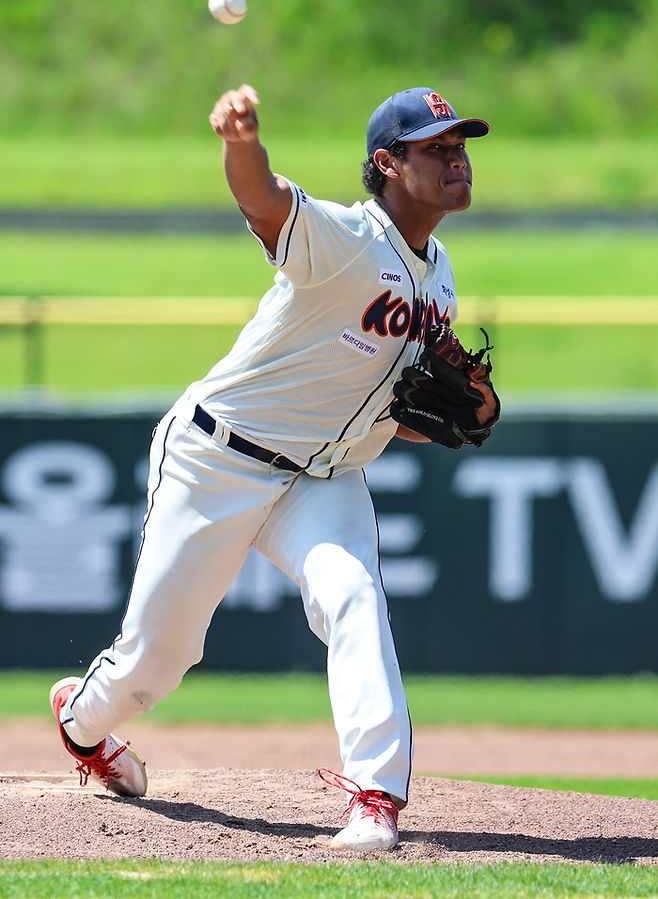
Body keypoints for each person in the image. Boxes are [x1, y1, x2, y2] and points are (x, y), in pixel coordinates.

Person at [50, 84, 493, 852]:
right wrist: (240, 141)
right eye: (436, 149)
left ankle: (375, 800)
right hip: (218, 457)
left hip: (321, 479)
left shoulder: (440, 273)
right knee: (158, 660)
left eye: (460, 148)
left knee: (353, 595)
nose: (457, 161)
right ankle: (81, 720)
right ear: (387, 163)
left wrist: (472, 405)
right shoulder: (344, 236)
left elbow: (410, 416)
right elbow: (263, 200)